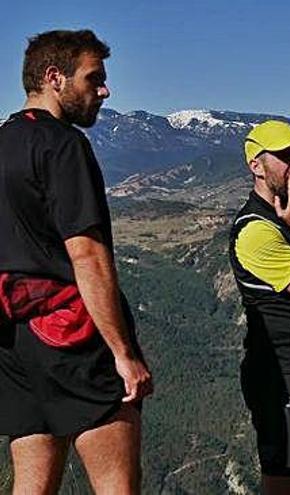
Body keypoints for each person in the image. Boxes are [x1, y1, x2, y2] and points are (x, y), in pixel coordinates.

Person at [0, 30, 152, 494]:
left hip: (14, 341)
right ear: (55, 78)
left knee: (31, 486)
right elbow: (85, 253)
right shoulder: (62, 145)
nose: (104, 90)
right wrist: (123, 355)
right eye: (94, 78)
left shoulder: (3, 141)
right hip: (75, 336)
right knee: (116, 486)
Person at [228, 120, 290, 494]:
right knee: (288, 483)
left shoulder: (286, 216)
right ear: (256, 165)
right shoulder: (255, 231)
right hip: (283, 377)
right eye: (285, 157)